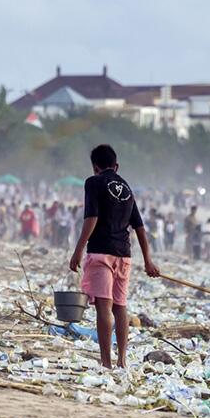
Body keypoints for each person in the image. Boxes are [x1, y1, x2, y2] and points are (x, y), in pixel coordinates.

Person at [69, 144, 160, 369]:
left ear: (95, 167)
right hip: (124, 255)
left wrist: (78, 250)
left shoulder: (93, 182)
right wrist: (148, 261)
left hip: (101, 252)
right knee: (120, 307)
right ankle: (122, 360)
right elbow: (139, 227)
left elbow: (91, 218)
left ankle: (106, 362)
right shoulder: (126, 188)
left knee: (103, 307)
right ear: (116, 166)